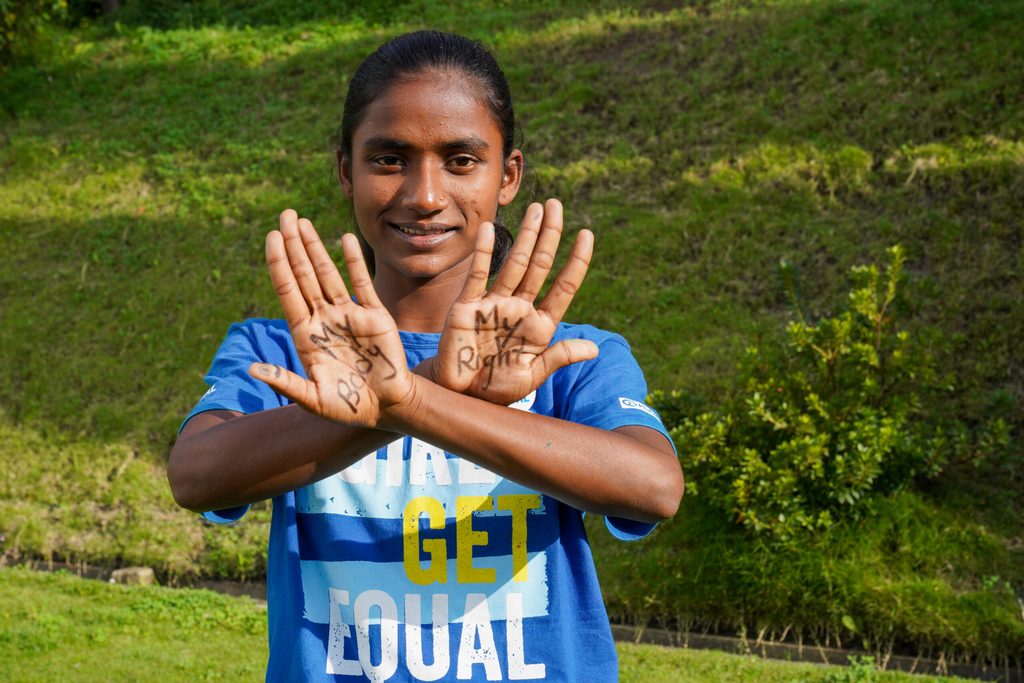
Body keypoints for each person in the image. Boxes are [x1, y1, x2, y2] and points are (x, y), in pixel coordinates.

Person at [167, 30, 683, 683]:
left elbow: (653, 487)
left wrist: (409, 399)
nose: (425, 195)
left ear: (508, 176)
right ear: (346, 171)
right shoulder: (286, 350)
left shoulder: (562, 355)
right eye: (389, 159)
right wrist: (425, 388)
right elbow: (197, 474)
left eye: (461, 160)